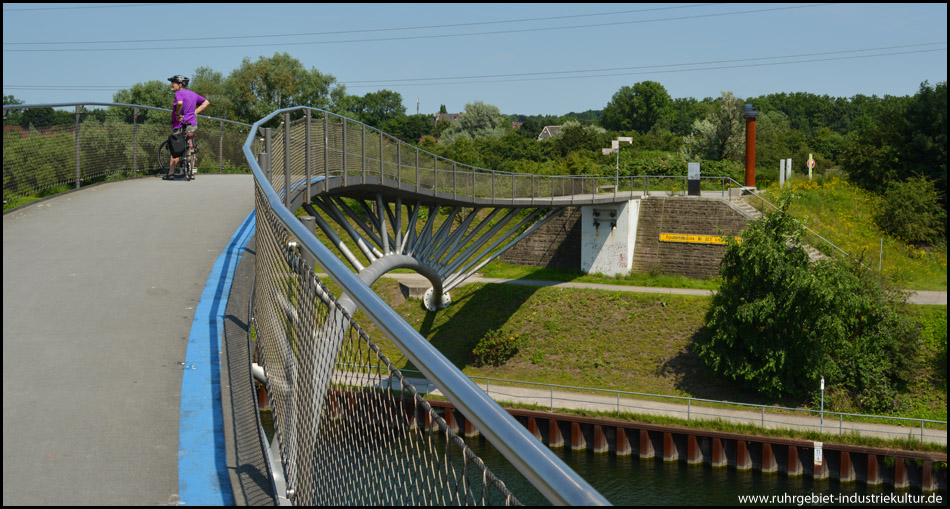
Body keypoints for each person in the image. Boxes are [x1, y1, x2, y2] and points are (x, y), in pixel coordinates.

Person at [164, 75, 210, 180]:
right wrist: (195, 112)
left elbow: (179, 103)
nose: (172, 85)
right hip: (192, 123)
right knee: (190, 145)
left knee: (176, 147)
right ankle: (191, 173)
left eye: (173, 83)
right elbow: (206, 102)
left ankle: (171, 173)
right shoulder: (193, 94)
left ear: (180, 84)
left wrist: (177, 114)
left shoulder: (178, 93)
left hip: (179, 124)